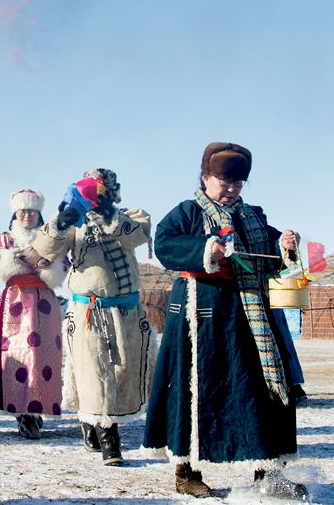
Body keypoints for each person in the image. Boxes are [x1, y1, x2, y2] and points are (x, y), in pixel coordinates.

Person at [143, 142, 307, 499]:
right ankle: (187, 471)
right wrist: (206, 248)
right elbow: (166, 246)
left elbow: (272, 254)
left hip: (251, 316)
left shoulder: (254, 217)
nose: (231, 188)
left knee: (261, 391)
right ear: (205, 178)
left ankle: (269, 471)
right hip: (200, 315)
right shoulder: (187, 213)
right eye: (223, 180)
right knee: (194, 388)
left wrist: (285, 244)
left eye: (238, 182)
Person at [30, 169, 153, 466]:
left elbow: (136, 236)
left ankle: (90, 419)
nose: (96, 197)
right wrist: (62, 220)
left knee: (123, 372)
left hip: (126, 311)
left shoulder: (132, 215)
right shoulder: (76, 226)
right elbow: (42, 251)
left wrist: (105, 211)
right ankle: (110, 439)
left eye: (101, 192)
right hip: (89, 312)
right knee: (95, 373)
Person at [0, 189, 68, 439]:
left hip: (44, 304)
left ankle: (37, 408)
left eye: (31, 211)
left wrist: (51, 265)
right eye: (22, 211)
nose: (27, 215)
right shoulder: (3, 241)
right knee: (16, 354)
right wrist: (3, 263)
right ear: (15, 213)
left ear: (38, 213)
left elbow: (66, 263)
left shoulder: (51, 238)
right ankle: (22, 413)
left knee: (42, 357)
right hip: (15, 302)